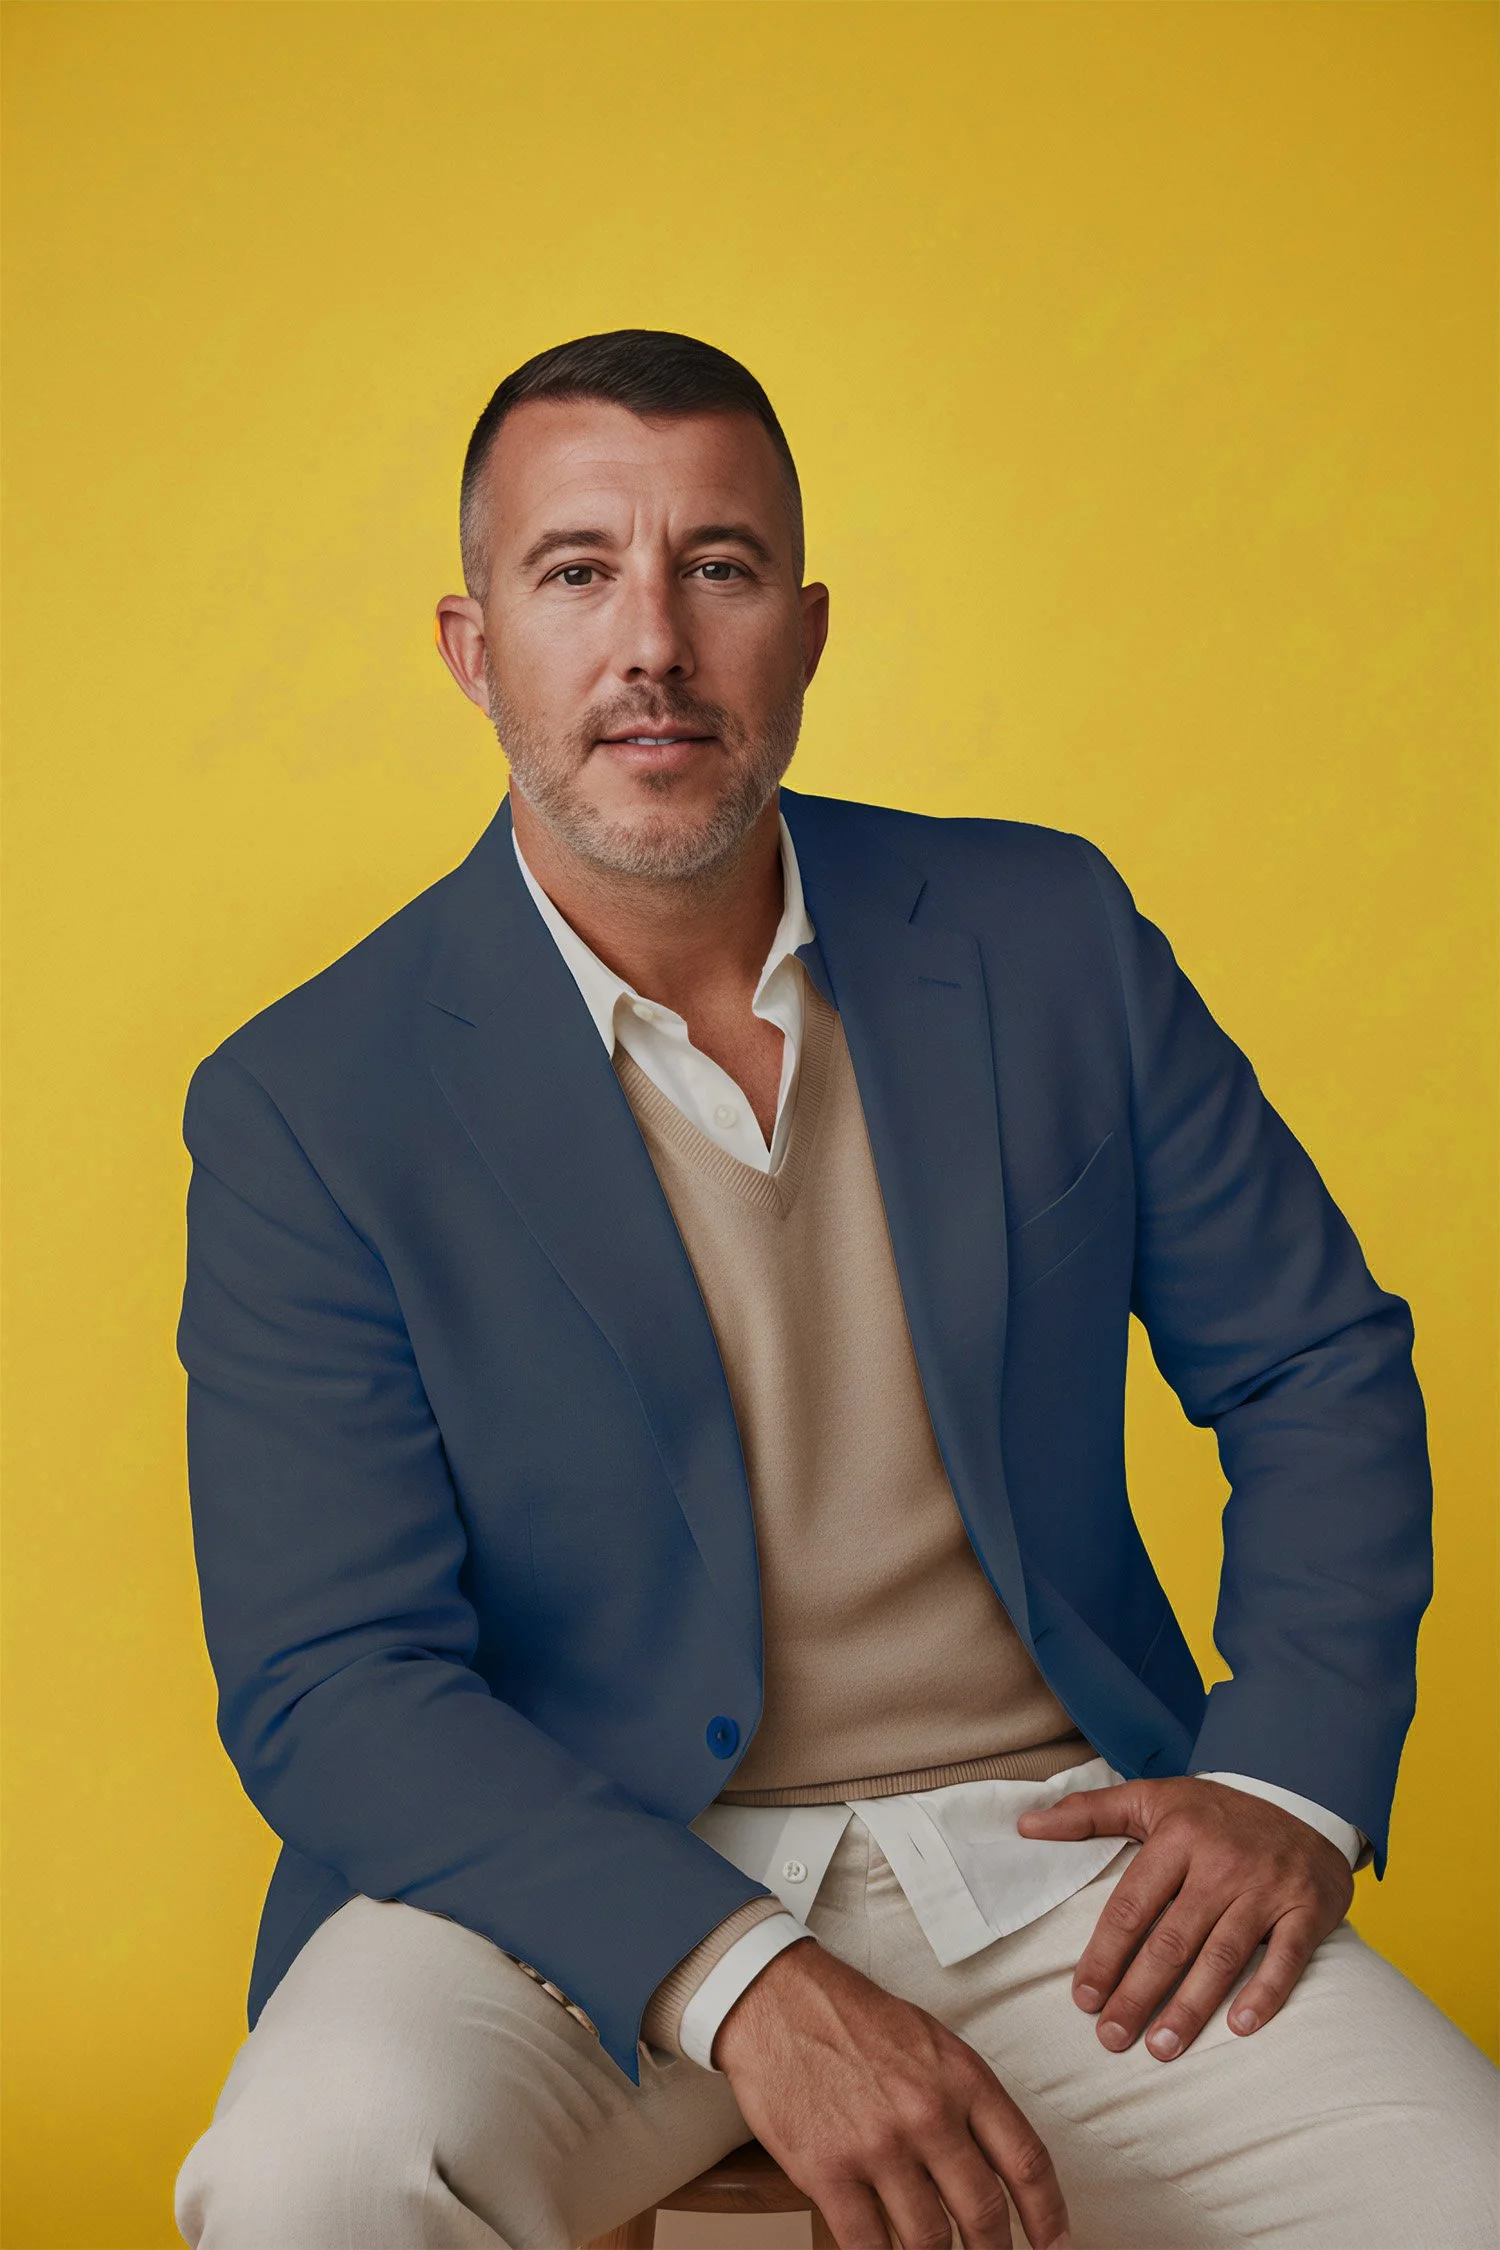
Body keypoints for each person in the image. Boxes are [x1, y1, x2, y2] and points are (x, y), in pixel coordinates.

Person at [173, 330, 1496, 2250]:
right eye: (577, 573)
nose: (654, 642)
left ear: (803, 629)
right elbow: (330, 1677)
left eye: (717, 567)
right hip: (559, 1889)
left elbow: (1316, 1364)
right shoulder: (310, 1096)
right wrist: (743, 1979)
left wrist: (1288, 1770)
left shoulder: (1049, 938)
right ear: (474, 649)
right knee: (316, 2175)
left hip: (1059, 1863)